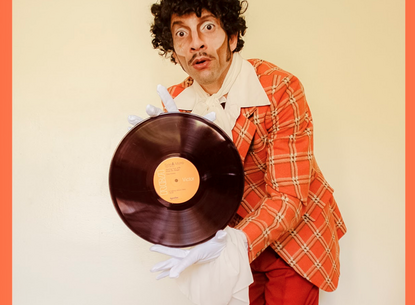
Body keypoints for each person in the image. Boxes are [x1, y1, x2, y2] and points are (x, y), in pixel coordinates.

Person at [131, 0, 347, 304]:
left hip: (296, 239)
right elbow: (186, 197)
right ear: (173, 49)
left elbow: (288, 195)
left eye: (208, 27)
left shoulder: (279, 88)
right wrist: (156, 158)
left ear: (232, 36)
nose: (196, 44)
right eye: (181, 34)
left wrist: (237, 244)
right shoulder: (175, 105)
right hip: (225, 245)